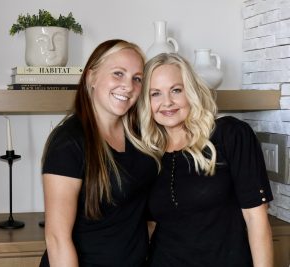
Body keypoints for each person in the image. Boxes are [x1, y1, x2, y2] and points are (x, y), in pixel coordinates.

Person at [135, 53, 274, 267]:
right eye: (155, 94)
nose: (167, 102)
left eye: (176, 90)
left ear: (190, 92)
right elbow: (150, 226)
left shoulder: (231, 135)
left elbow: (256, 219)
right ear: (146, 101)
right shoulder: (147, 153)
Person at [39, 39, 159, 267]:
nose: (128, 86)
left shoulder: (140, 135)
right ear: (91, 77)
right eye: (118, 74)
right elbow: (57, 239)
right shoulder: (69, 141)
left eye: (137, 78)